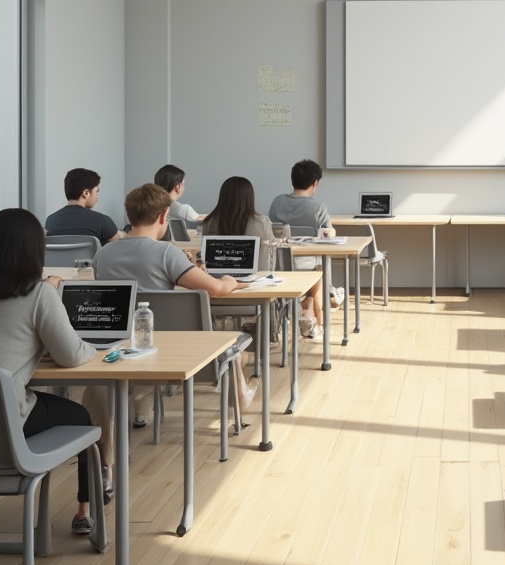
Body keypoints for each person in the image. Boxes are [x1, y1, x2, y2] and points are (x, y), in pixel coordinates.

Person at [0, 209, 99, 535]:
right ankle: (83, 515)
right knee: (81, 415)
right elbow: (72, 355)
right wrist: (97, 347)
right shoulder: (38, 294)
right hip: (7, 428)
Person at [95, 183, 249, 425]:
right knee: (237, 347)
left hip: (119, 349)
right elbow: (216, 289)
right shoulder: (166, 253)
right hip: (173, 350)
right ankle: (241, 402)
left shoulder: (102, 255)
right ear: (163, 215)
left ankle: (141, 405)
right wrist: (231, 281)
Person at [202, 176, 321, 339]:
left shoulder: (209, 222)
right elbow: (269, 259)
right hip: (254, 290)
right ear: (250, 198)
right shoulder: (260, 222)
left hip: (215, 289)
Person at [268, 159, 344, 309]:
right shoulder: (318, 208)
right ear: (315, 183)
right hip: (309, 264)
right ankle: (328, 294)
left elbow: (271, 231)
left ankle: (308, 304)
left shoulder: (277, 203)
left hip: (280, 264)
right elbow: (329, 232)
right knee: (324, 257)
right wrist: (331, 231)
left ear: (293, 180)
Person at [45, 168, 124, 245]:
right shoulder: (101, 221)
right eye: (96, 191)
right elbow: (122, 244)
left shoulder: (50, 221)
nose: (97, 196)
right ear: (86, 193)